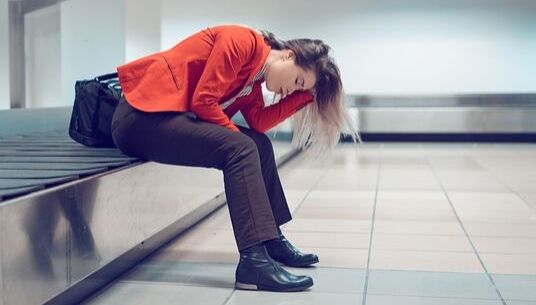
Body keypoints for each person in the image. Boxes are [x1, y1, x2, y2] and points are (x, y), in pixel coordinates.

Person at [111, 24, 359, 292]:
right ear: (288, 55)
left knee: (259, 144)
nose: (292, 89)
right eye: (298, 81)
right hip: (140, 118)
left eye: (301, 88)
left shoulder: (253, 81)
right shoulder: (241, 42)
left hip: (167, 119)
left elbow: (260, 122)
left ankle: (271, 240)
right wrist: (238, 141)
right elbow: (204, 101)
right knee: (241, 148)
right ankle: (254, 262)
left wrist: (305, 98)